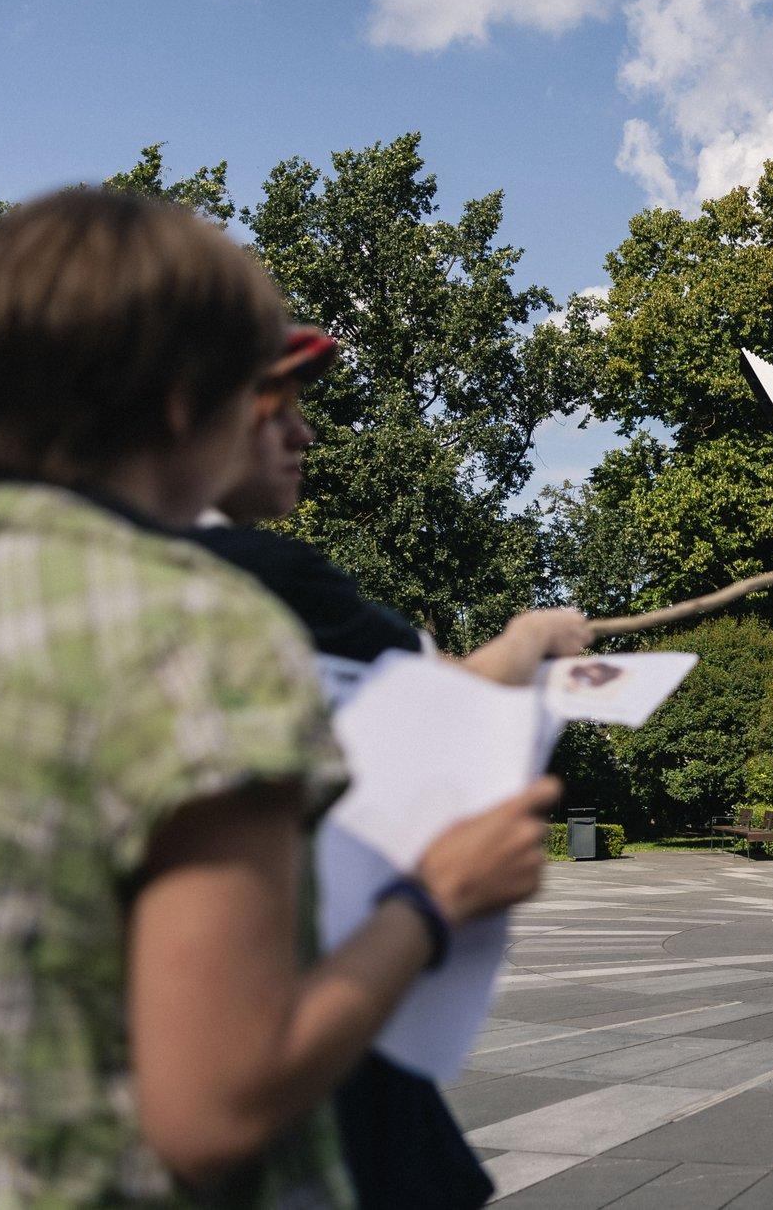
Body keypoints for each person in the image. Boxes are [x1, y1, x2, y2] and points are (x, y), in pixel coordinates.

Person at [0, 189, 555, 1205]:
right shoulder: (199, 633)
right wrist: (438, 897)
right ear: (185, 399)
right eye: (249, 388)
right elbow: (215, 1112)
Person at [192, 326, 594, 1207]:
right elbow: (445, 688)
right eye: (276, 410)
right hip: (294, 1024)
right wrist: (532, 638)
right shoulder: (264, 573)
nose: (303, 434)